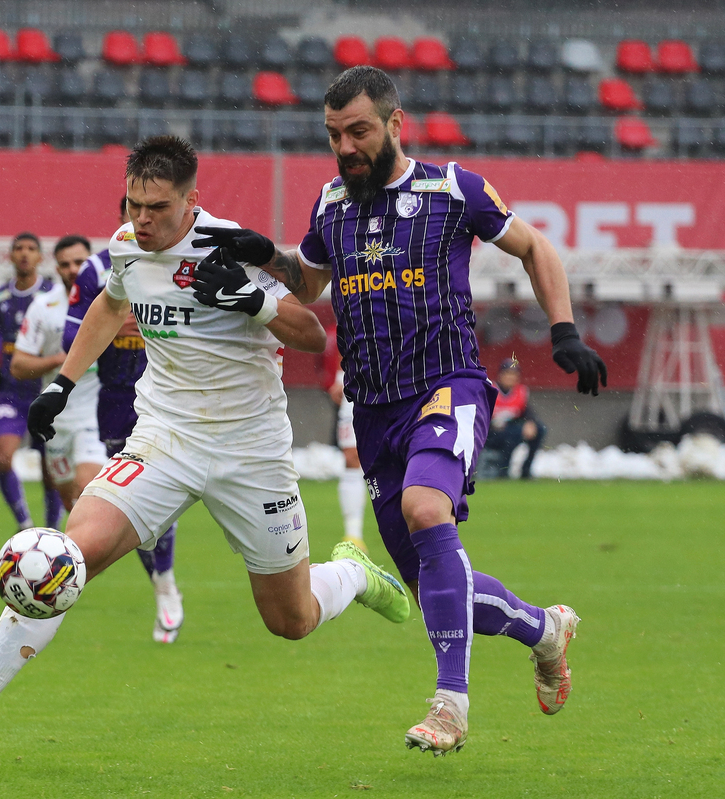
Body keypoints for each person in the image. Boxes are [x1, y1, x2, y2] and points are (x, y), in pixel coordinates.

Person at [0, 136, 410, 757]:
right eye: (134, 204)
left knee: (291, 620)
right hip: (163, 439)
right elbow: (109, 306)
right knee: (65, 559)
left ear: (192, 201)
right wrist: (62, 385)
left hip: (251, 451)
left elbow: (311, 333)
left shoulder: (231, 246)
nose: (142, 220)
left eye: (158, 208)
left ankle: (353, 576)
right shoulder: (125, 246)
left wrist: (252, 298)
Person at [193, 66, 608, 756]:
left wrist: (563, 330)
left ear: (394, 124)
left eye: (358, 130)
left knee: (425, 509)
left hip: (448, 385)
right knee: (435, 588)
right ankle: (544, 630)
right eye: (333, 135)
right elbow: (314, 281)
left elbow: (534, 246)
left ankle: (450, 704)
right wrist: (262, 257)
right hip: (374, 409)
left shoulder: (451, 189)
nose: (345, 146)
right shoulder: (332, 203)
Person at [63, 196, 184, 644]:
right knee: (135, 505)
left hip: (175, 398)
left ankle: (166, 584)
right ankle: (163, 582)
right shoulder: (97, 270)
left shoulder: (183, 262)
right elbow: (71, 335)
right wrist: (115, 327)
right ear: (122, 219)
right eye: (134, 214)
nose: (142, 223)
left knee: (166, 495)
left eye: (151, 214)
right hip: (118, 401)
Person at [11, 235, 106, 509]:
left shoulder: (109, 302)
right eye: (65, 264)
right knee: (70, 500)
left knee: (88, 489)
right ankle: (78, 550)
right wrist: (62, 360)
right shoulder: (43, 306)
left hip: (95, 414)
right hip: (57, 418)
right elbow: (18, 365)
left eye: (80, 262)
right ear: (56, 268)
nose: (73, 269)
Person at [0, 232, 64, 530]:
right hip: (11, 393)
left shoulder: (53, 295)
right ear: (10, 255)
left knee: (50, 471)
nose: (25, 254)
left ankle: (52, 529)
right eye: (19, 248)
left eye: (31, 249)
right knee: (4, 457)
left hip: (47, 393)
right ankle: (24, 524)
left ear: (41, 257)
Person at [323, 328, 367, 551]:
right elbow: (347, 338)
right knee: (351, 457)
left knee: (396, 457)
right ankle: (353, 534)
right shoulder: (353, 297)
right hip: (356, 386)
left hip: (396, 384)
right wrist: (342, 377)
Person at [484, 358, 546, 480]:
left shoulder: (520, 391)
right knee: (514, 433)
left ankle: (526, 471)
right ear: (500, 375)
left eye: (514, 375)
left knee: (540, 429)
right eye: (507, 374)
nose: (510, 377)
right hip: (491, 432)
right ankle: (503, 472)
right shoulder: (490, 389)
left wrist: (531, 423)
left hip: (511, 430)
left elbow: (527, 411)